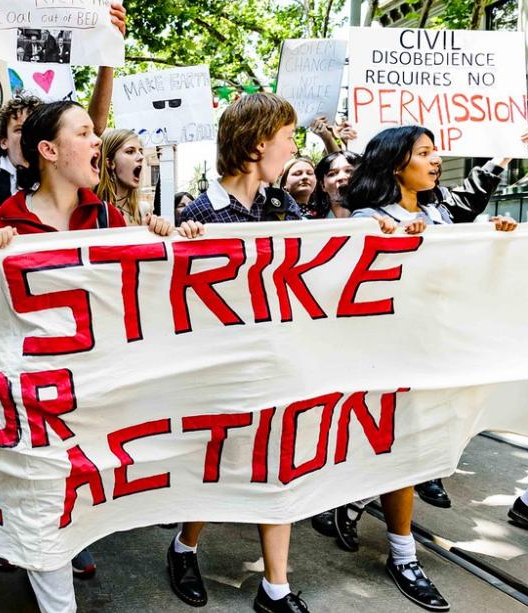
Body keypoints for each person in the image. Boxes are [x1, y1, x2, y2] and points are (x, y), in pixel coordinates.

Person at [0, 99, 201, 613]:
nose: (97, 141)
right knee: (43, 507)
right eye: (84, 133)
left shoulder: (106, 215)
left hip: (96, 396)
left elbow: (139, 291)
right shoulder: (3, 221)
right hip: (34, 403)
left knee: (73, 505)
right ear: (49, 150)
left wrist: (170, 242)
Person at [342, 125, 517, 612]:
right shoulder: (367, 218)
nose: (435, 161)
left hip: (441, 350)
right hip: (394, 354)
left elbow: (465, 256)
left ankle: (351, 504)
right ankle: (403, 554)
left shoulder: (439, 213)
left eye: (436, 153)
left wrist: (492, 238)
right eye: (424, 153)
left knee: (422, 445)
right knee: (406, 449)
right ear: (397, 163)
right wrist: (397, 247)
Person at [175, 92, 309, 613]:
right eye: (289, 139)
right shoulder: (202, 213)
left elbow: (325, 249)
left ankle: (275, 587)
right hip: (222, 368)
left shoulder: (282, 206)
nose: (294, 150)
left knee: (279, 465)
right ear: (259, 144)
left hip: (277, 363)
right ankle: (185, 545)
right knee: (216, 464)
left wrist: (380, 234)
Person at [0, 0, 125, 219]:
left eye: (35, 130)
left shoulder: (61, 177)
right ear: (3, 141)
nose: (27, 138)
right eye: (20, 129)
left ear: (47, 147)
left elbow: (94, 126)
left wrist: (107, 51)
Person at [95, 128, 151, 225]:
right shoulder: (94, 212)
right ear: (110, 162)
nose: (141, 157)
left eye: (141, 151)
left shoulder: (144, 210)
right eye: (130, 151)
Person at [302, 151, 359, 219]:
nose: (341, 177)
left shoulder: (372, 215)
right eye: (332, 174)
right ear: (323, 185)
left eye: (349, 171)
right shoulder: (309, 222)